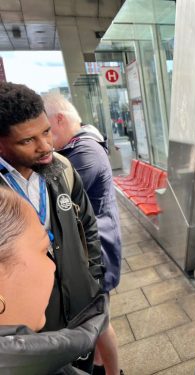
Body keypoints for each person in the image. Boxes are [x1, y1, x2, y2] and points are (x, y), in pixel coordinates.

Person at [0, 82, 105, 372]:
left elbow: (87, 225)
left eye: (46, 131)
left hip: (80, 307)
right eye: (27, 140)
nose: (45, 146)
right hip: (29, 329)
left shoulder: (62, 168)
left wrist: (93, 279)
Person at [43, 93, 122, 375]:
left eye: (45, 131)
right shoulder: (79, 148)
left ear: (59, 120)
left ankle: (111, 371)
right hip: (93, 248)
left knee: (99, 320)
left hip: (98, 251)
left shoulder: (84, 152)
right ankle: (101, 367)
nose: (44, 143)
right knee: (96, 320)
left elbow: (59, 203)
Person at [0, 187, 109, 374]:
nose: (53, 265)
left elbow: (87, 225)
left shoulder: (61, 172)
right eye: (44, 250)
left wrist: (93, 273)